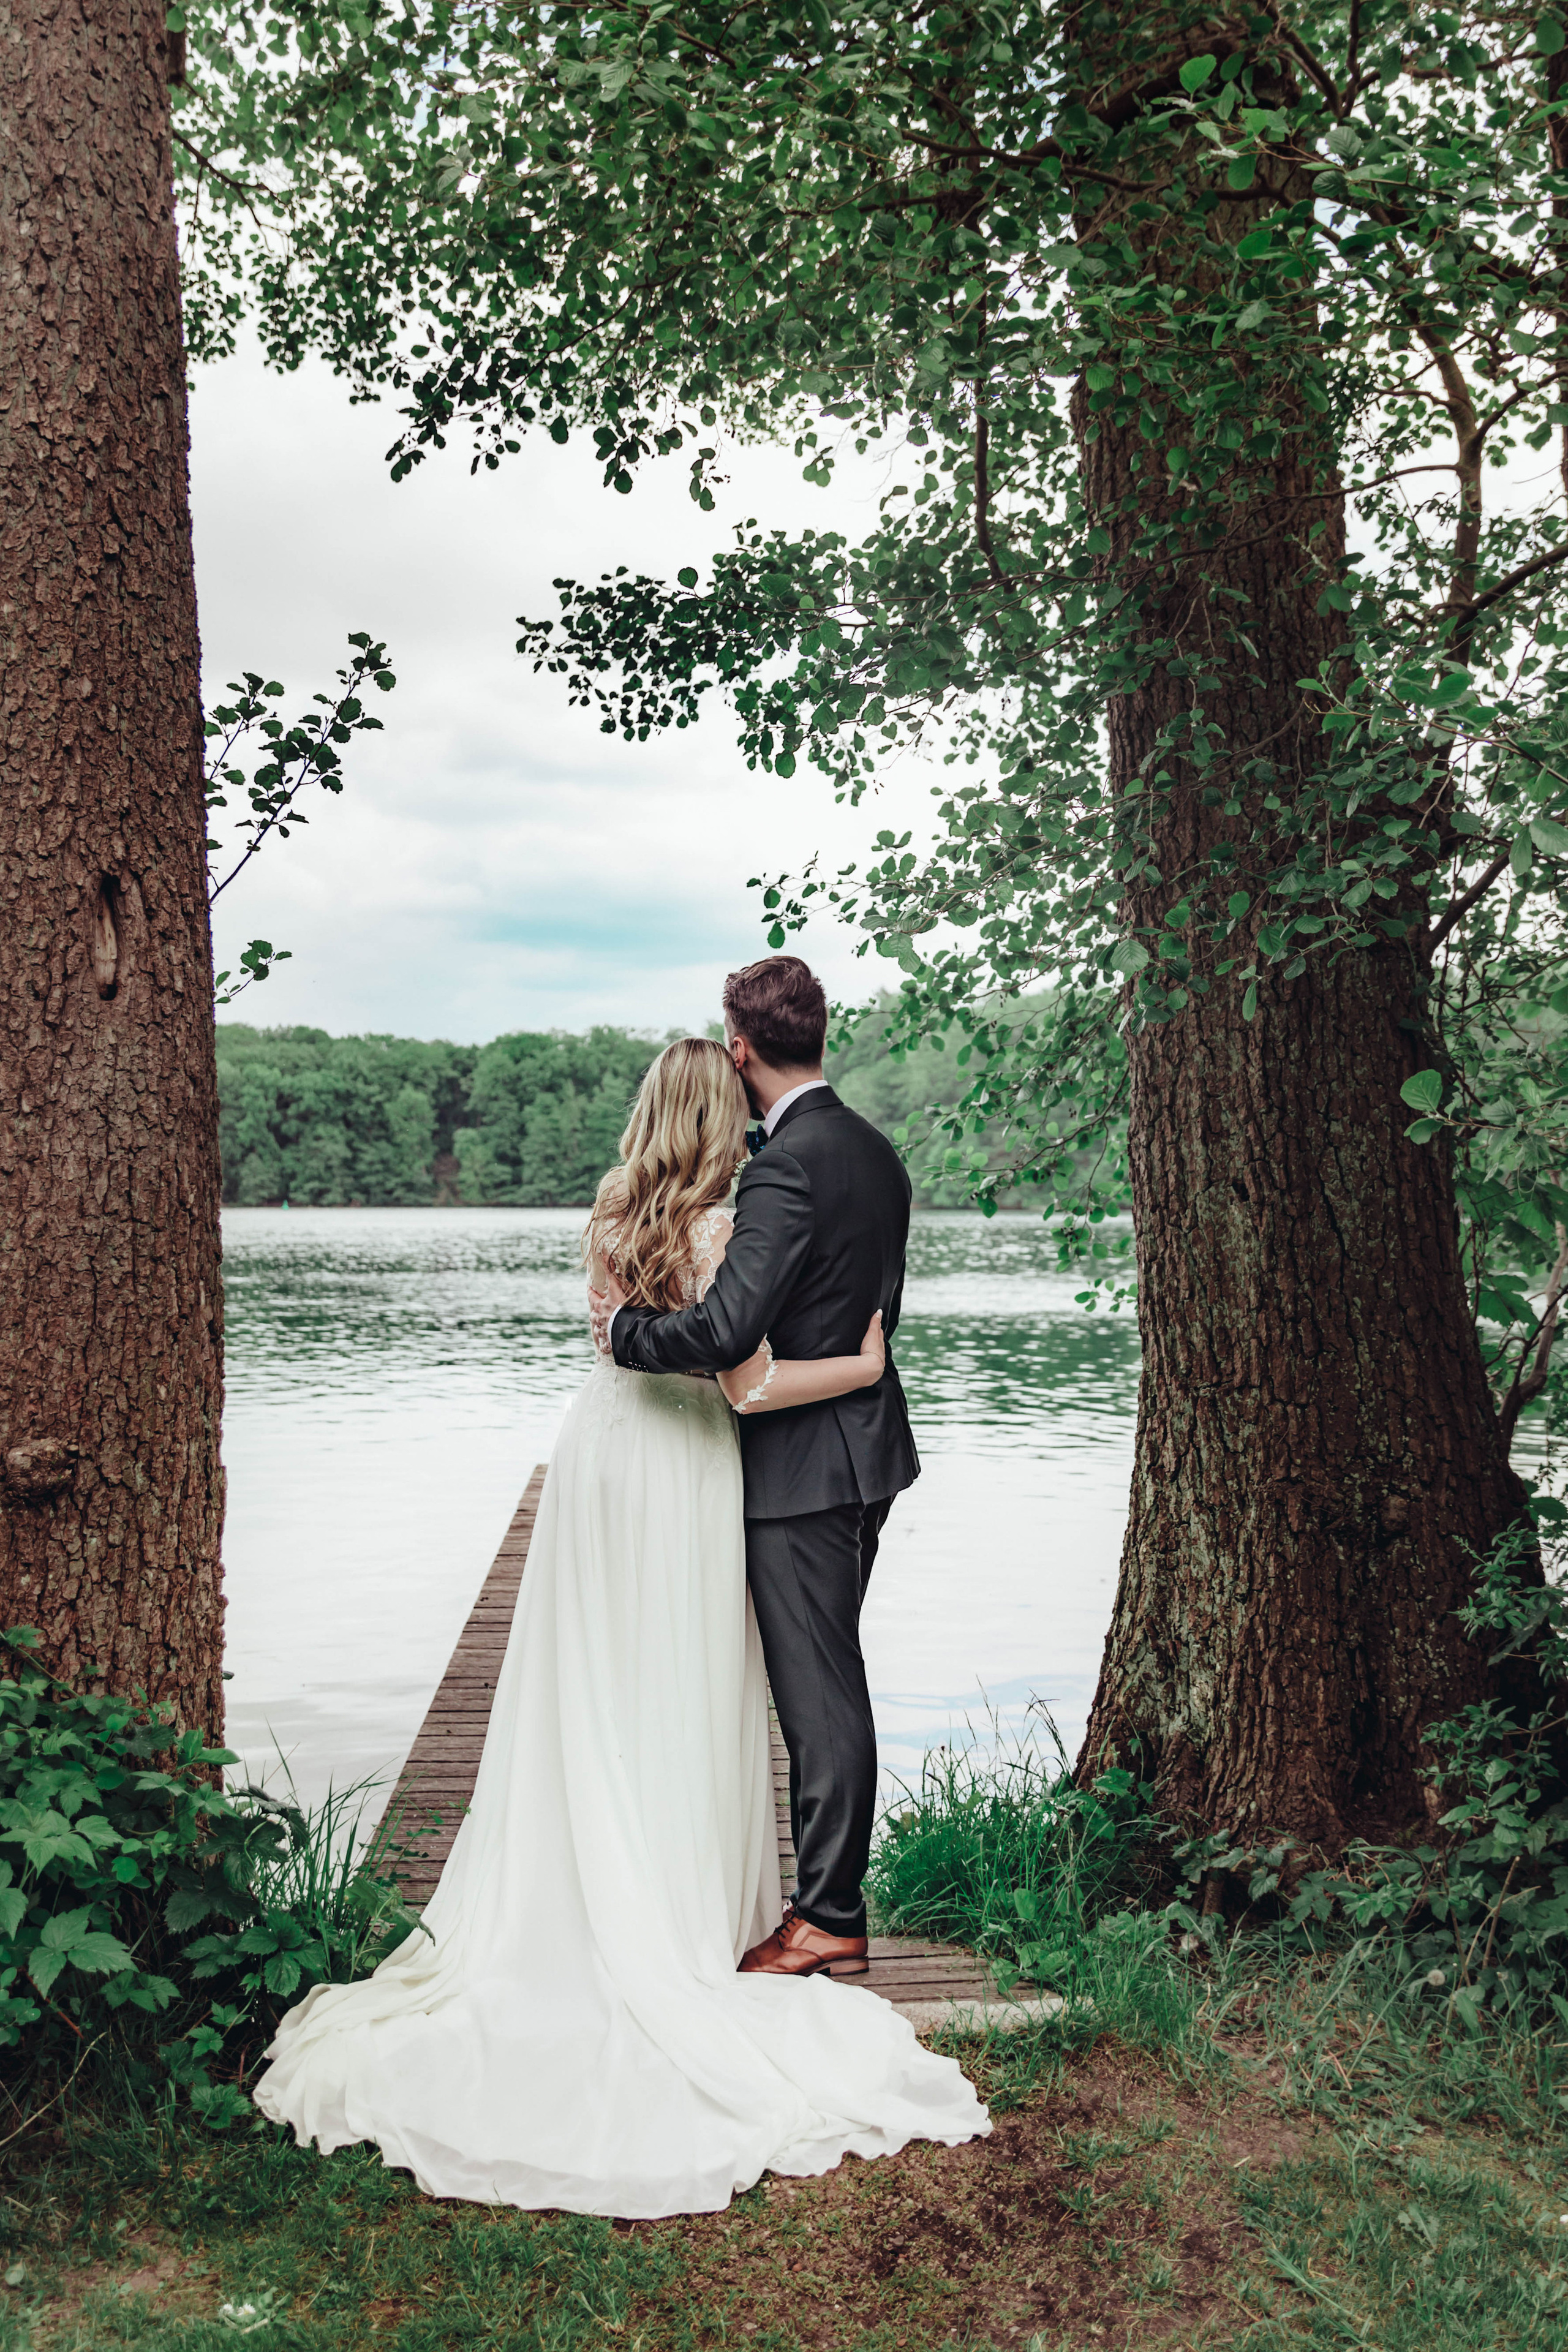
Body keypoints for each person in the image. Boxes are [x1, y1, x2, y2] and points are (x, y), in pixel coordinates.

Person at [251, 1032, 987, 2218]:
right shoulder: (726, 1218)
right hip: (694, 1463)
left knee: (589, 1669)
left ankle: (579, 1868)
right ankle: (696, 1903)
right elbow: (738, 1379)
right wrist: (857, 1368)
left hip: (598, 1450)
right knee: (689, 1676)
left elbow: (620, 1336)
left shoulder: (612, 1205)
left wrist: (628, 1344)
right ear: (724, 1113)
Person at [594, 955, 918, 1982]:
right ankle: (823, 1903)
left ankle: (828, 1917)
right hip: (865, 1454)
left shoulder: (785, 1163)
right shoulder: (875, 1152)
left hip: (798, 1472)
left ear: (740, 1049)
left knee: (818, 1696)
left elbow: (729, 1328)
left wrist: (627, 1336)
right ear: (819, 1034)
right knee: (831, 1681)